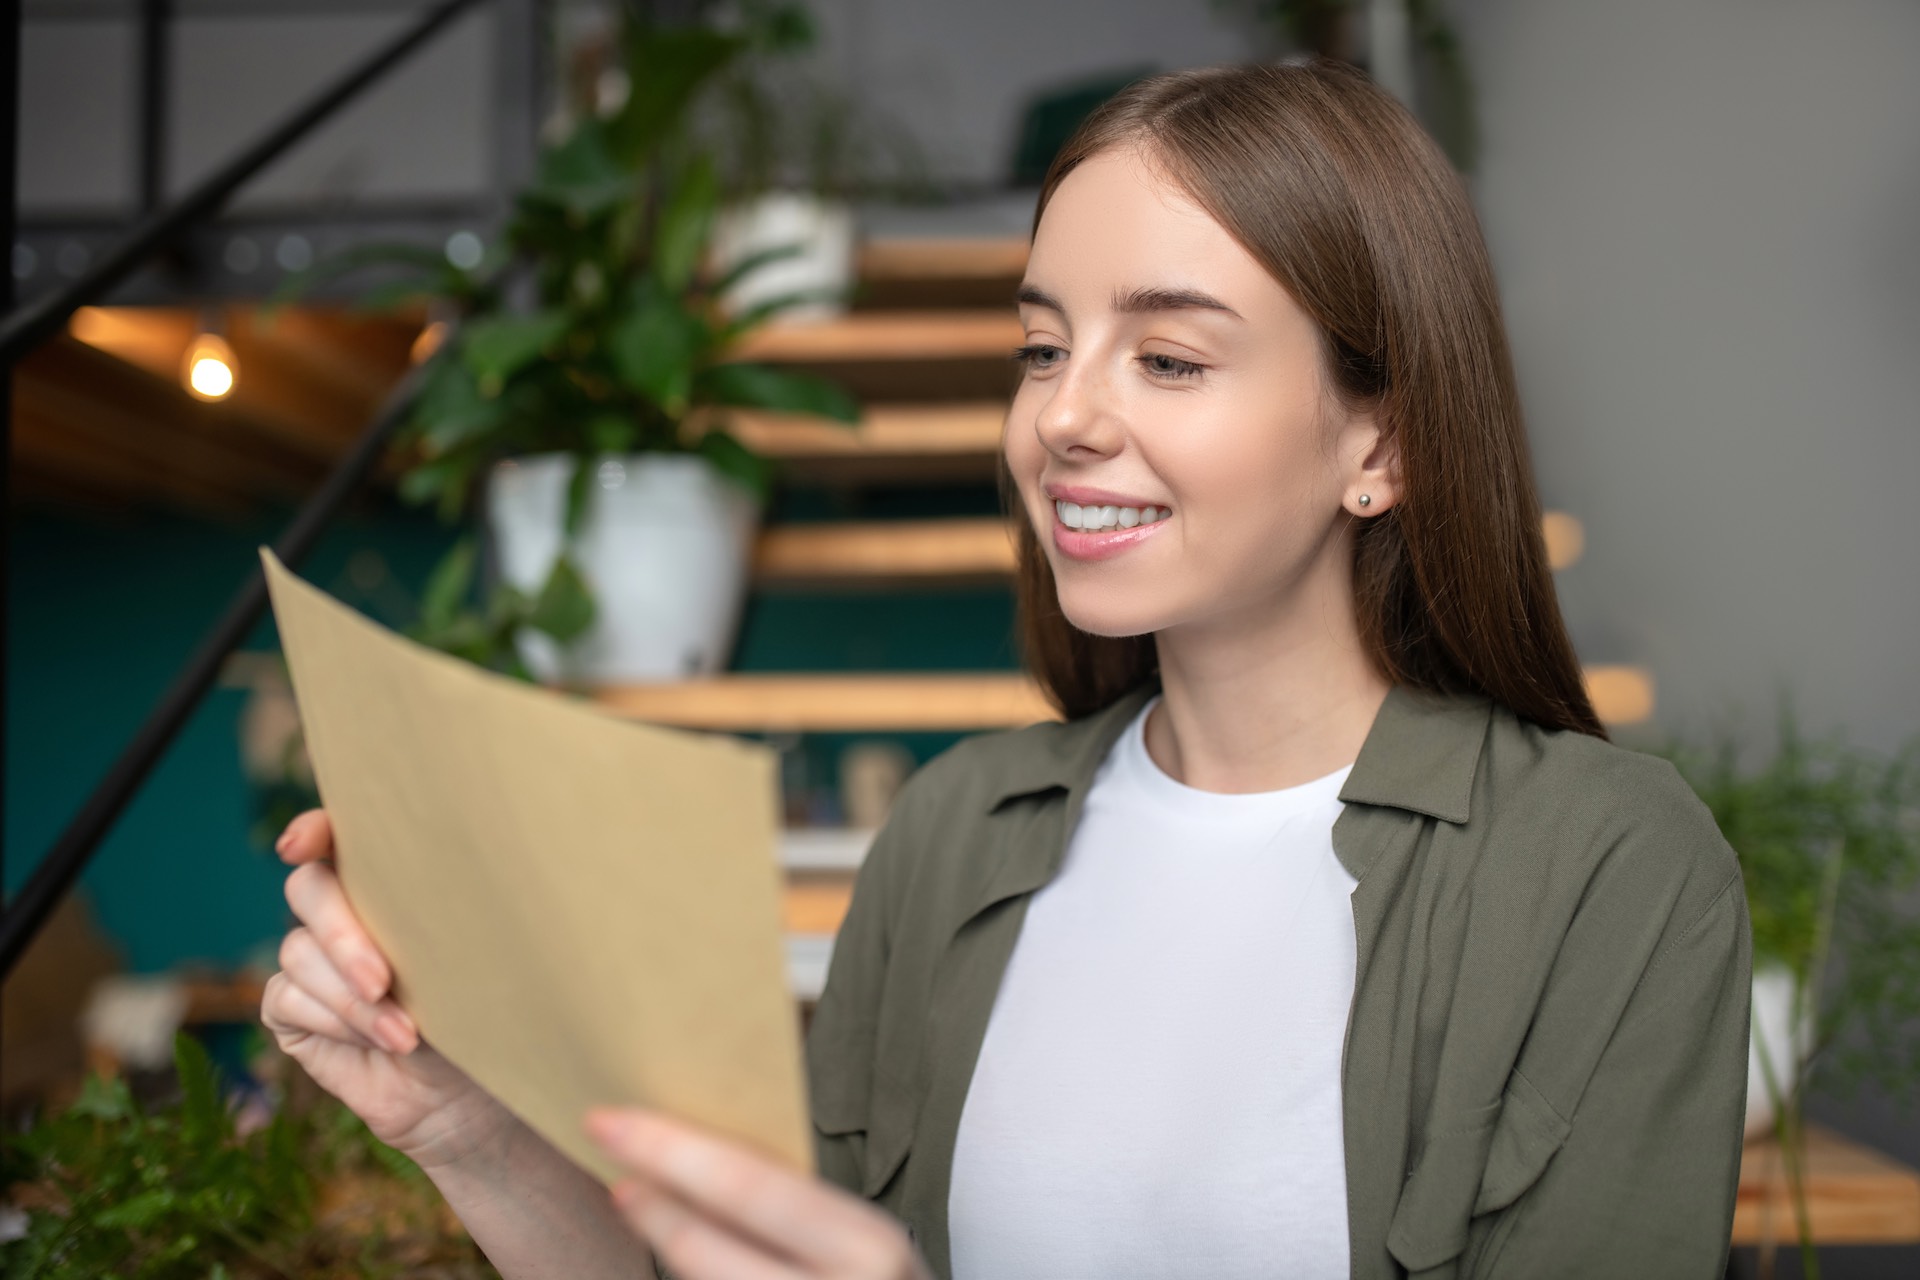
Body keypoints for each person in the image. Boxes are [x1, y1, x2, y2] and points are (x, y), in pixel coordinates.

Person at [262, 57, 1751, 1280]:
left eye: (1168, 358)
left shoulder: (1606, 870)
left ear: (1384, 443)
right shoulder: (953, 832)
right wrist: (470, 1132)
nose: (1063, 420)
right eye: (1044, 348)